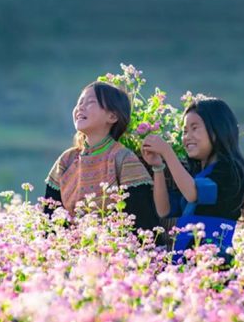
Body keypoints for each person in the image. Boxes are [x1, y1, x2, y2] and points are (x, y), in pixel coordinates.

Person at [141, 98, 244, 263]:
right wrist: (158, 167)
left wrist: (167, 152)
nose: (187, 137)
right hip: (185, 261)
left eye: (194, 128)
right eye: (185, 131)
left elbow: (194, 193)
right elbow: (164, 210)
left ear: (217, 130)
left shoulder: (229, 170)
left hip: (212, 262)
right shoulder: (195, 176)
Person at [44, 81, 158, 231]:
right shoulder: (66, 160)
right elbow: (49, 219)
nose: (80, 107)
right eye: (79, 102)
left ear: (112, 116)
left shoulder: (123, 159)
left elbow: (141, 222)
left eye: (90, 102)